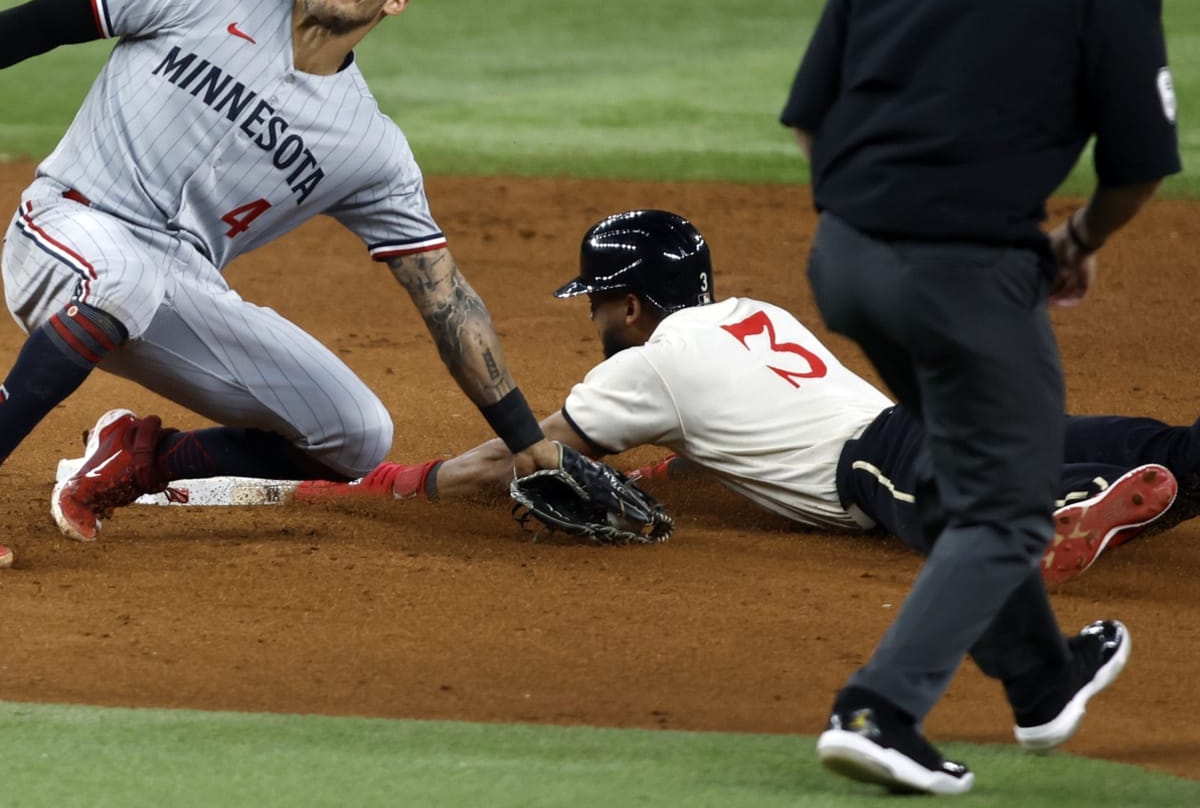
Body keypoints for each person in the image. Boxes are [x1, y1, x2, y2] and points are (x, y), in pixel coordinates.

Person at [779, 0, 1181, 794]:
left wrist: (865, 223)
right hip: (964, 277)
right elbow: (1137, 166)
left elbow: (814, 114)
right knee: (1010, 504)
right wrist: (1075, 244)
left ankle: (1042, 679)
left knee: (965, 473)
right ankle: (880, 709)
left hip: (847, 260)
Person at [0, 0, 562, 561]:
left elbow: (446, 298)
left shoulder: (368, 145)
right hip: (65, 228)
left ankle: (142, 458)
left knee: (356, 434)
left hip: (175, 285)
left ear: (395, 2)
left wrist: (528, 441)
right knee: (123, 277)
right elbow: (35, 25)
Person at [293, 210, 1198, 587]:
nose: (598, 318)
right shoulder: (746, 316)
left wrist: (403, 483)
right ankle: (1148, 466)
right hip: (923, 423)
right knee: (1126, 440)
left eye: (601, 301)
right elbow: (713, 438)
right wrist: (661, 471)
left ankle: (1059, 516)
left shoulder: (642, 367)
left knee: (951, 513)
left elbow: (516, 458)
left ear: (633, 303)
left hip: (878, 466)